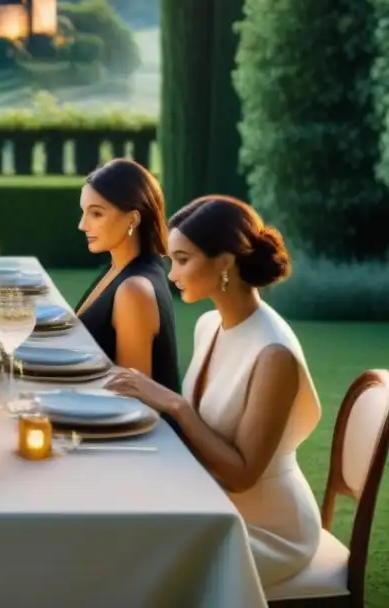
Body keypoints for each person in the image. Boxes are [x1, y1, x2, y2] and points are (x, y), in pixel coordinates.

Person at [105, 195, 322, 588]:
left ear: (225, 263)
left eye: (183, 259)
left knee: (138, 560)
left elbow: (242, 475)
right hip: (212, 502)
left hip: (264, 527)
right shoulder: (209, 324)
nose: (171, 274)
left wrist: (173, 403)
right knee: (114, 520)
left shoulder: (274, 354)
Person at [73, 158, 181, 392]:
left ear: (133, 219)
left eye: (96, 214)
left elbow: (132, 401)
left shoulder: (134, 290)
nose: (82, 225)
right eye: (84, 212)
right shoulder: (116, 269)